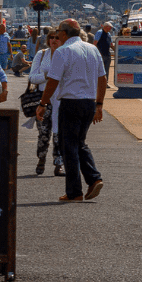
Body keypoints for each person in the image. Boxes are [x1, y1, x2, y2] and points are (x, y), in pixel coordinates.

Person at [41, 19, 106, 203]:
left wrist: (43, 103)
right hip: (89, 102)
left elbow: (52, 81)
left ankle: (74, 191)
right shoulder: (93, 49)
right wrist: (99, 104)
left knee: (68, 146)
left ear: (63, 33)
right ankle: (93, 179)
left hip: (71, 102)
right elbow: (102, 78)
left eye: (58, 32)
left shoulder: (63, 52)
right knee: (79, 143)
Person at [29, 29, 65, 176]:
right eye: (52, 38)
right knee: (43, 134)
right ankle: (41, 159)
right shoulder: (41, 54)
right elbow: (32, 78)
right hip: (44, 100)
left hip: (61, 101)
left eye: (57, 38)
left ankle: (59, 163)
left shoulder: (66, 55)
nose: (54, 41)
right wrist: (48, 75)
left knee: (59, 135)